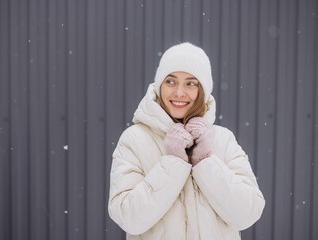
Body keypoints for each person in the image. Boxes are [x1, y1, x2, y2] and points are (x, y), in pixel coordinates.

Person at [108, 42, 265, 240]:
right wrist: (173, 163)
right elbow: (128, 217)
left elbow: (247, 214)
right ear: (159, 86)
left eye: (191, 83)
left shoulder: (223, 140)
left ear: (203, 91)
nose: (179, 92)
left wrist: (205, 161)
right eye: (170, 81)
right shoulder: (135, 140)